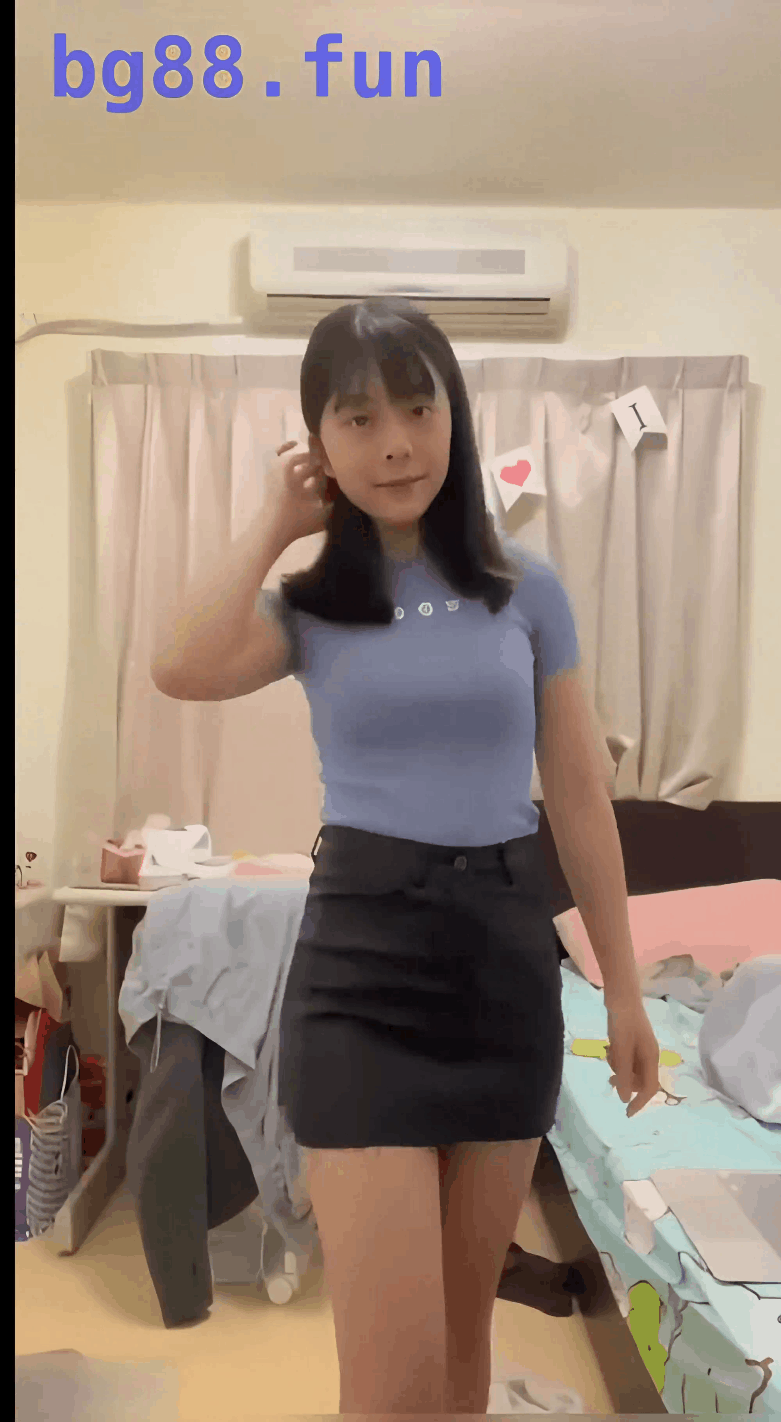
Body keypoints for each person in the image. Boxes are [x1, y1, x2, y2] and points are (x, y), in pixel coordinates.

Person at [151, 296, 660, 1413]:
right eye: (358, 418)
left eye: (418, 409)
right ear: (319, 444)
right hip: (361, 976)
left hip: (502, 969)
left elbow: (579, 795)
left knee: (462, 1361)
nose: (394, 443)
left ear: (454, 417)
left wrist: (623, 991)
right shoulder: (311, 605)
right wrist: (271, 524)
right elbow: (177, 666)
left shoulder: (528, 589)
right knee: (392, 1380)